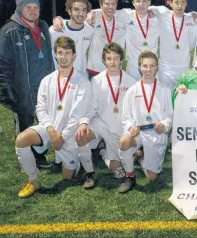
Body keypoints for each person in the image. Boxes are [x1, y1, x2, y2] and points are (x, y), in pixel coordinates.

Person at [14, 36, 91, 198]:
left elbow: (77, 114)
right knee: (21, 140)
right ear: (55, 54)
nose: (63, 57)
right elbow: (40, 109)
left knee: (67, 177)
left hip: (68, 135)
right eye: (60, 53)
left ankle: (75, 161)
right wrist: (51, 131)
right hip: (49, 129)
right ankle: (33, 181)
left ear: (74, 56)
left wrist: (61, 136)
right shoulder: (47, 81)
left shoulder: (82, 82)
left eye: (67, 53)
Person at [0, 0, 55, 169]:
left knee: (46, 122)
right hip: (23, 88)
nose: (32, 10)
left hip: (44, 87)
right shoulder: (9, 30)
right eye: (28, 7)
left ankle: (39, 155)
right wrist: (6, 87)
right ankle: (27, 160)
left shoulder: (43, 26)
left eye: (35, 7)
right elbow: (2, 62)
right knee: (25, 124)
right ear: (20, 9)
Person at [74, 42, 137, 190]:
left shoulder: (131, 81)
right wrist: (84, 122)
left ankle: (104, 153)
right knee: (81, 136)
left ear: (121, 59)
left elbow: (134, 109)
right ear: (104, 60)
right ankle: (90, 173)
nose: (112, 62)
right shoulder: (96, 80)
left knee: (117, 170)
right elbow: (92, 106)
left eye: (116, 58)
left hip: (120, 126)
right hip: (101, 123)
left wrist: (131, 127)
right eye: (109, 58)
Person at [118, 51, 173, 193]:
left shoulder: (165, 90)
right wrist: (131, 127)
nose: (148, 70)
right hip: (139, 133)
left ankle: (140, 157)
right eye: (145, 66)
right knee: (124, 141)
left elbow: (170, 116)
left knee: (152, 177)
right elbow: (126, 117)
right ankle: (129, 176)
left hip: (156, 134)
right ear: (139, 67)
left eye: (152, 66)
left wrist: (165, 126)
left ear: (156, 68)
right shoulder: (132, 90)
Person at [53, 0, 127, 78]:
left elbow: (142, 10)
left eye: (113, 4)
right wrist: (57, 19)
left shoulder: (124, 16)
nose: (110, 7)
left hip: (116, 68)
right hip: (95, 70)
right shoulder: (92, 20)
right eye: (107, 3)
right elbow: (75, 21)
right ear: (101, 5)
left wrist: (149, 11)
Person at [149, 0, 197, 89]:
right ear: (170, 3)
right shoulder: (163, 13)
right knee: (165, 101)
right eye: (176, 2)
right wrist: (150, 11)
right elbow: (147, 7)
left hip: (184, 68)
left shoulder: (190, 19)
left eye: (183, 2)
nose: (180, 6)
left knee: (181, 101)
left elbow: (192, 45)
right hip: (165, 69)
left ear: (186, 4)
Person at [49, 0, 94, 74]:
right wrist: (57, 18)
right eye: (76, 9)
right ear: (69, 11)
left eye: (84, 10)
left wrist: (92, 13)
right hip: (61, 79)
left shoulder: (90, 30)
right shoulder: (55, 30)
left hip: (81, 79)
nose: (81, 14)